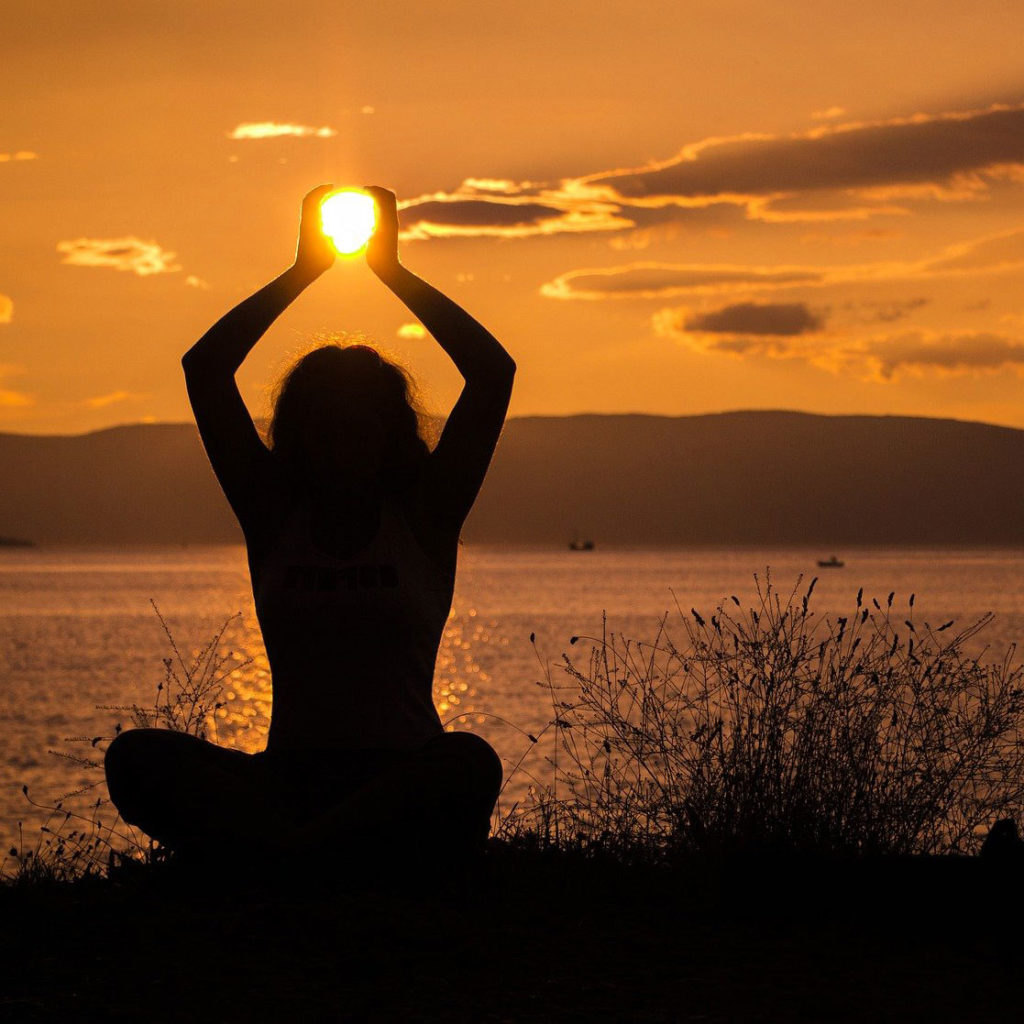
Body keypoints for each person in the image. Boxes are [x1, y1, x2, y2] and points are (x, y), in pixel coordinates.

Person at [104, 185, 515, 869]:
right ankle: (315, 854)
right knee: (136, 757)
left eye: (359, 429)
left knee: (468, 763)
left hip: (397, 779)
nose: (341, 445)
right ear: (300, 437)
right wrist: (304, 271)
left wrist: (392, 272)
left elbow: (492, 374)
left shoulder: (424, 517)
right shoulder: (273, 516)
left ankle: (289, 858)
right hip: (287, 781)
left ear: (389, 436)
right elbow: (205, 369)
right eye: (323, 430)